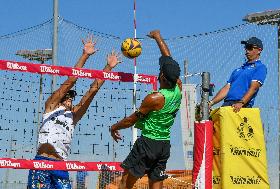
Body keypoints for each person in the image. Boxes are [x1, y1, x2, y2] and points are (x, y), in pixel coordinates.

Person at [27, 35, 122, 189]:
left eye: (72, 96)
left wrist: (108, 68)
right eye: (68, 95)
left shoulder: (74, 115)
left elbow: (92, 91)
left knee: (91, 94)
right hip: (42, 163)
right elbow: (70, 80)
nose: (70, 97)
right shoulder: (51, 105)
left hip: (60, 165)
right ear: (61, 96)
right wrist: (85, 55)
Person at [110, 30, 182, 189]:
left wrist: (113, 127)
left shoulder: (154, 99)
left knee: (125, 184)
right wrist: (158, 37)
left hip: (147, 144)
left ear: (162, 76)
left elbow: (130, 120)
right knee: (155, 185)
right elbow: (168, 58)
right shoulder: (178, 87)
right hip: (164, 145)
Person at [208, 37, 267, 112]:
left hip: (242, 105)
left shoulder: (260, 67)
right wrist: (211, 103)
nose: (247, 51)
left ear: (259, 50)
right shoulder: (237, 70)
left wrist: (241, 102)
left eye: (250, 48)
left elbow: (254, 88)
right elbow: (227, 88)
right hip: (227, 104)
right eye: (246, 48)